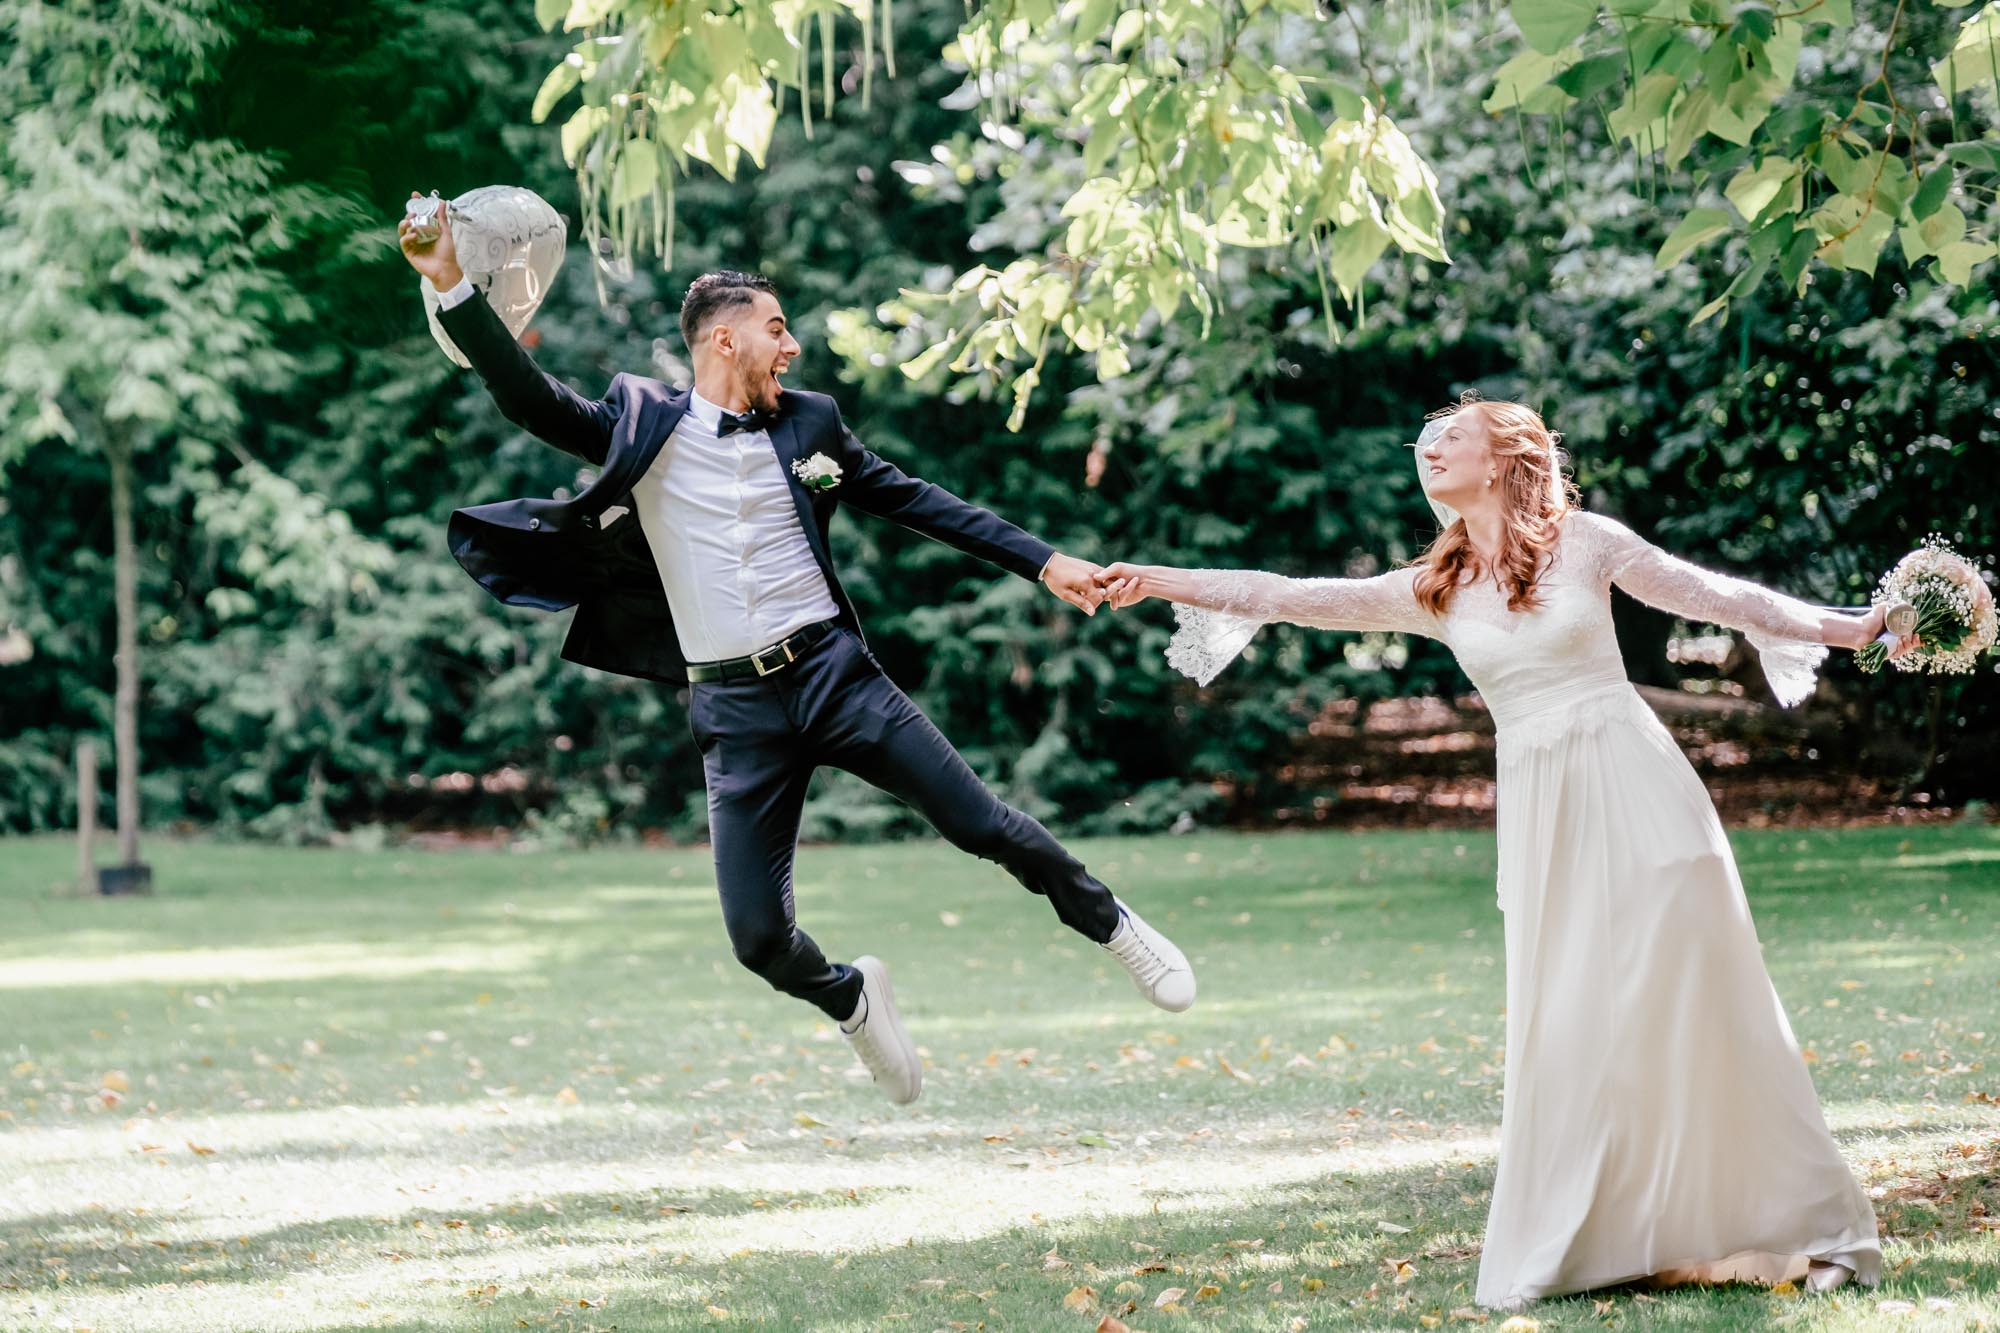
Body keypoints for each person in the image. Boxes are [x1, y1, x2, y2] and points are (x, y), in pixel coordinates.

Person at [1094, 399, 1895, 1307]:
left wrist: (1855, 627)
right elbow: (1285, 593)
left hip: (1642, 794)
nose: (1430, 450)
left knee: (1701, 1001)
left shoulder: (1587, 543)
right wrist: (1154, 579)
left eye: (1453, 436)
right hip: (1547, 813)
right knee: (1574, 1018)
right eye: (1426, 443)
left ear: (1507, 455)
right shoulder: (1433, 587)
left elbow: (1719, 597)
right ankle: (1613, 1236)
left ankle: (1812, 1225)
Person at [397, 196, 1194, 1108]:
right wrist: (451, 280)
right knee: (756, 939)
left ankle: (1114, 925)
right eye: (776, 329)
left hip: (834, 677)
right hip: (734, 712)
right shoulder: (640, 423)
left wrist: (1046, 563)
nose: (792, 346)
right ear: (723, 339)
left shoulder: (812, 425)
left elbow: (918, 499)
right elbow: (526, 394)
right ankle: (852, 999)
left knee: (983, 825)